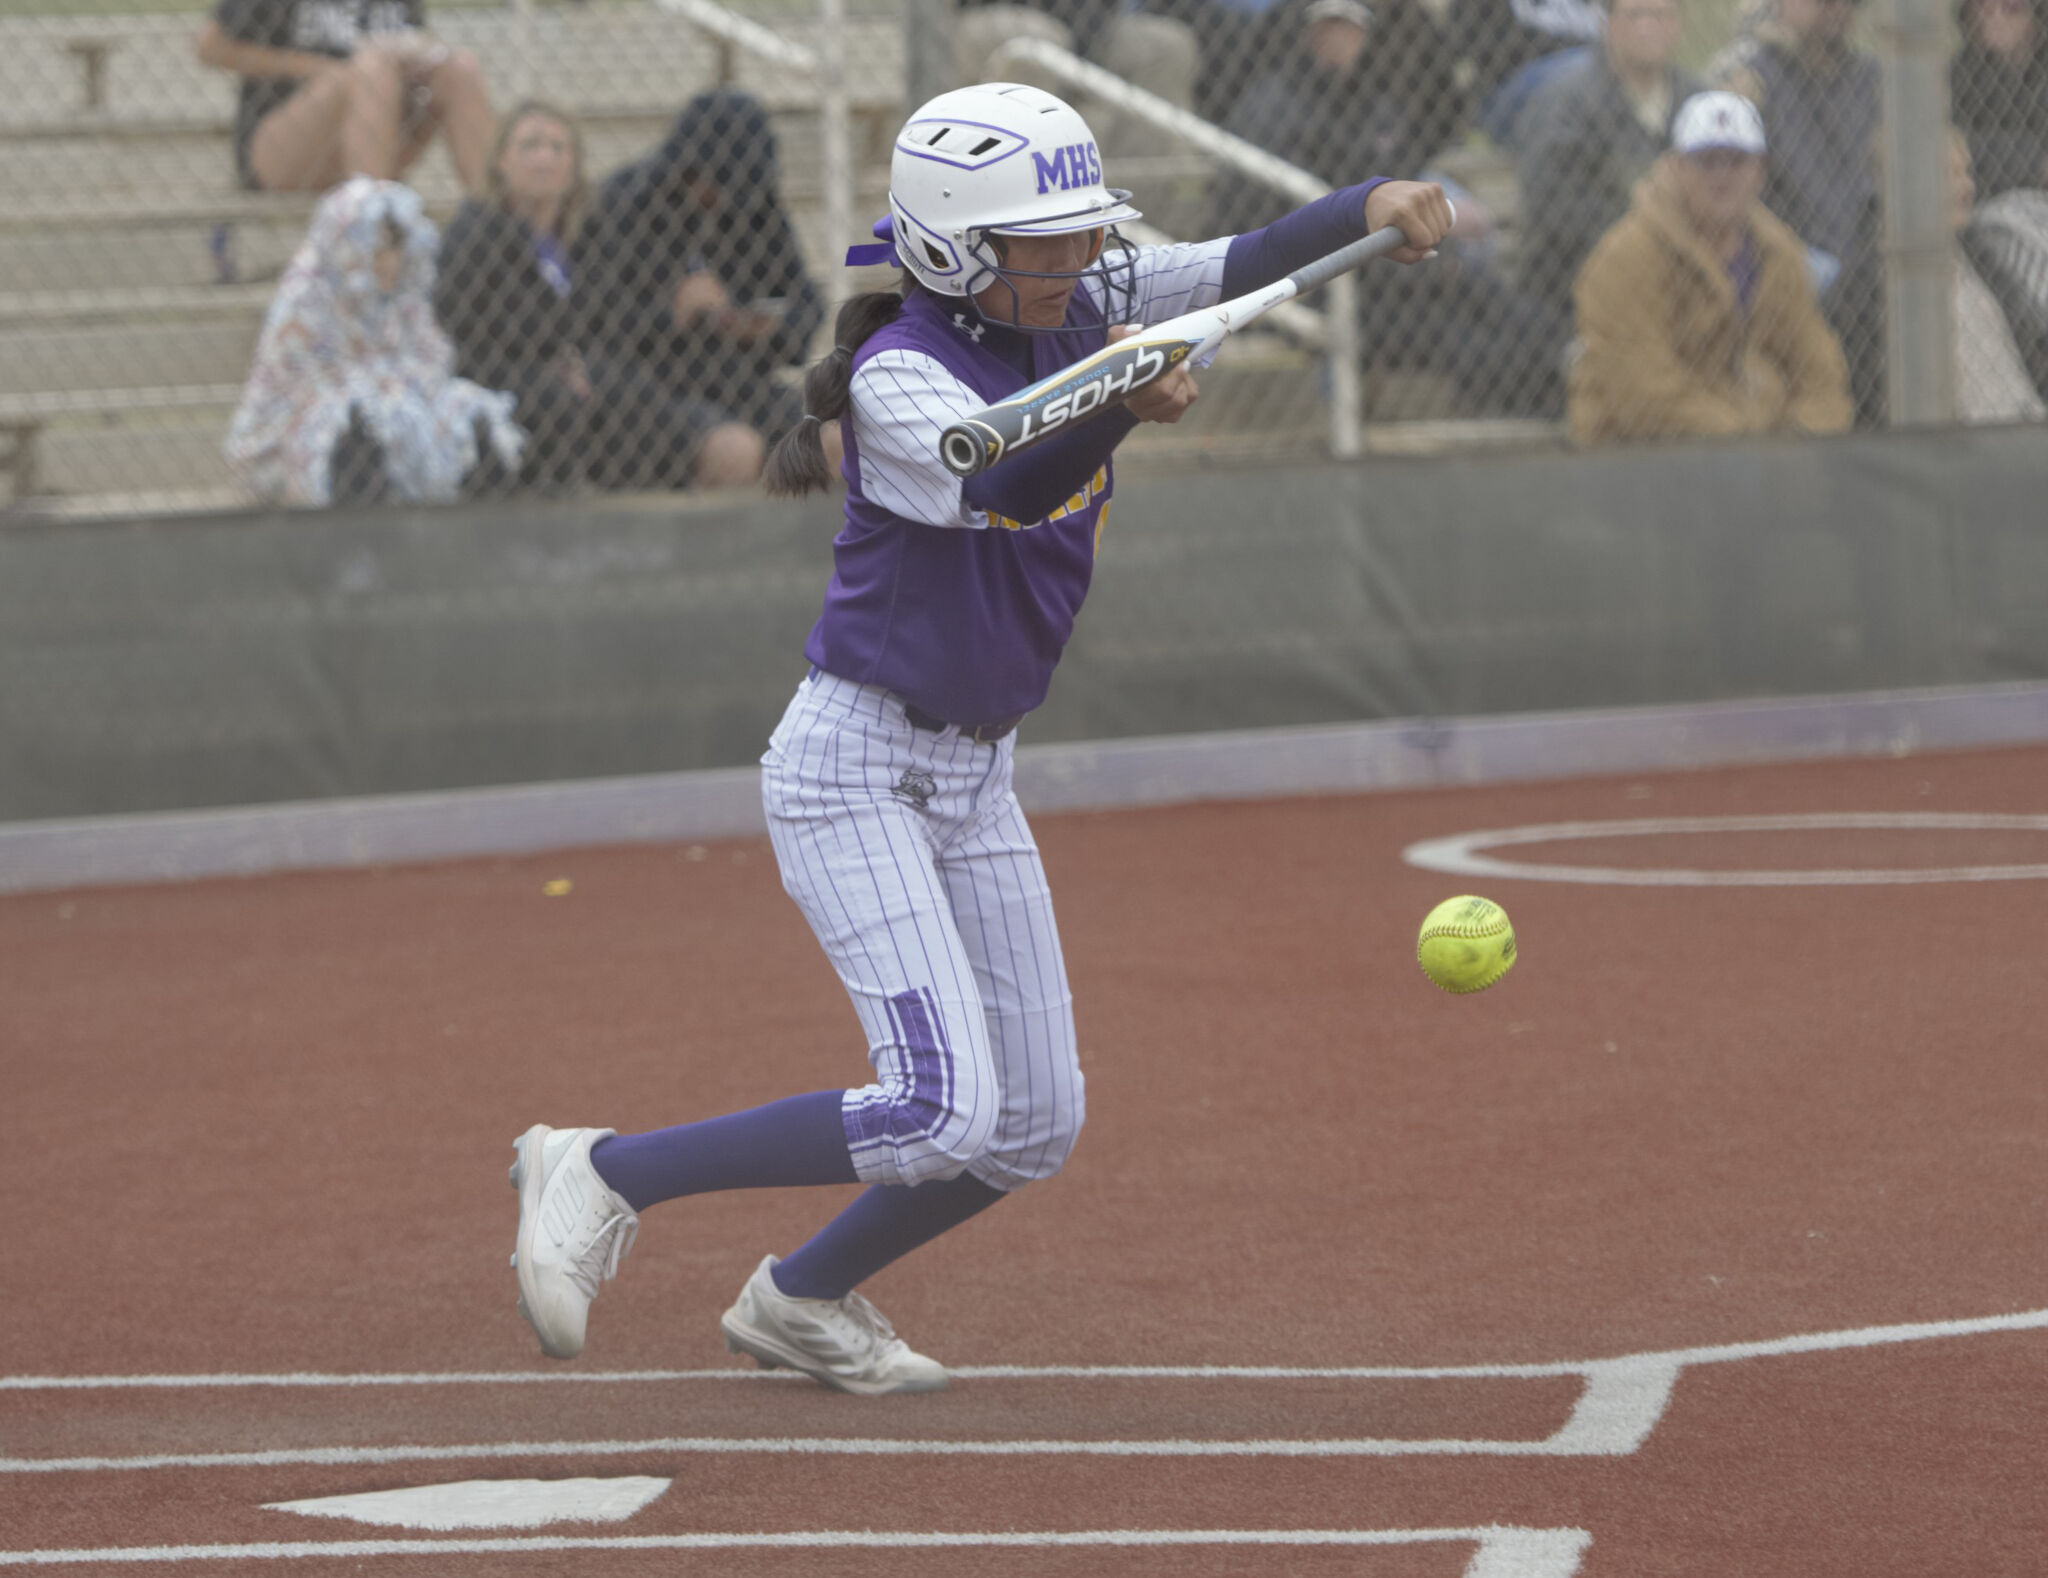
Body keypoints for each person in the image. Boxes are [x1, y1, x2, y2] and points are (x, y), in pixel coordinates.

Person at [506, 81, 1452, 1394]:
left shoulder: (1082, 290)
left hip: (974, 771)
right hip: (856, 766)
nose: (1073, 259)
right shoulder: (898, 378)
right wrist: (1125, 399)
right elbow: (1009, 486)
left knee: (1033, 1122)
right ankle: (605, 1168)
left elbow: (1241, 261)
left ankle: (800, 1294)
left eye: (1079, 234)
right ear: (954, 250)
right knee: (939, 1104)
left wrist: (1371, 206)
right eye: (1040, 240)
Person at [1568, 90, 1853, 443]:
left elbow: (1820, 375)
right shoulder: (1625, 257)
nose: (1722, 176)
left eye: (1736, 161)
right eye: (1706, 160)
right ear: (1675, 167)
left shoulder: (1779, 253)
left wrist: (1800, 439)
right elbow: (1643, 394)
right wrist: (1747, 436)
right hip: (1640, 459)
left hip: (1764, 455)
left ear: (1761, 170)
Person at [575, 91, 823, 491]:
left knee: (837, 437)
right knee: (735, 450)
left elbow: (805, 304)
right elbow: (593, 327)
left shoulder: (756, 204)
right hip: (653, 392)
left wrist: (764, 327)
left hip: (741, 379)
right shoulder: (622, 203)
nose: (722, 202)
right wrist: (672, 316)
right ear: (688, 171)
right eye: (712, 187)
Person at [225, 177, 524, 506]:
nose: (386, 260)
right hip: (297, 439)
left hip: (398, 417)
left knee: (467, 407)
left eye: (394, 247)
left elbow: (432, 369)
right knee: (362, 418)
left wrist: (397, 397)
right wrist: (385, 398)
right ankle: (362, 537)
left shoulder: (407, 301)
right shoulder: (306, 302)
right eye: (372, 247)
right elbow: (308, 392)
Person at [1711, 0, 1883, 424]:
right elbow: (1725, 196)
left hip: (1862, 262)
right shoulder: (1747, 75)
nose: (1836, 10)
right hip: (1786, 258)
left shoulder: (1872, 78)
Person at [434, 101, 594, 492]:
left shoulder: (581, 237)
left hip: (562, 366)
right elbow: (470, 335)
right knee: (555, 401)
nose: (545, 159)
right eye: (530, 146)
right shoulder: (476, 233)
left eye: (558, 148)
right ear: (501, 161)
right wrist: (556, 358)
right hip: (486, 374)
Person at [1516, 0, 1700, 320]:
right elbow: (1554, 205)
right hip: (1579, 280)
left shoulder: (1695, 100)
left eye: (1660, 15)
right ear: (1608, 24)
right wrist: (1647, 237)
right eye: (1635, 15)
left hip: (1685, 273)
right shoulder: (1566, 103)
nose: (1648, 26)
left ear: (1677, 26)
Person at [195, 0, 494, 196]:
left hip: (381, 134)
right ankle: (372, 222)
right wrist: (319, 69)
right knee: (371, 69)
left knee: (460, 68)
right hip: (284, 147)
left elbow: (414, 40)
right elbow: (211, 47)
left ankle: (498, 221)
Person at [1949, 132, 2048, 421]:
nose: (1968, 186)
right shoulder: (2007, 222)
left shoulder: (1974, 263)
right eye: (1951, 175)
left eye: (1966, 172)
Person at [1950, 0, 2048, 203]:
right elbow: (1958, 146)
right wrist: (2035, 160)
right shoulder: (1958, 75)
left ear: (2036, 17)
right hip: (1986, 198)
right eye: (1981, 6)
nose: (1994, 16)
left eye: (2011, 7)